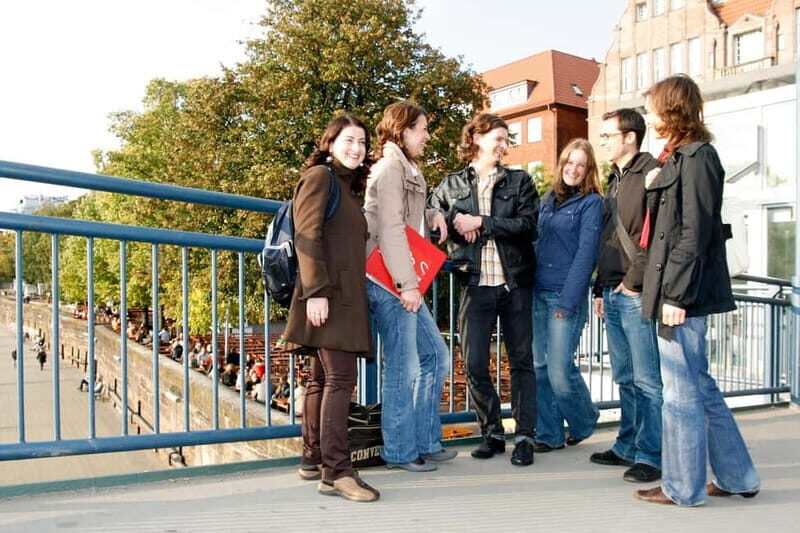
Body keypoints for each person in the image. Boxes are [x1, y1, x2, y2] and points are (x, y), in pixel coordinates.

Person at [634, 75, 760, 506]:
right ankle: (738, 477)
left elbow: (694, 233)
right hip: (674, 291)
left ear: (671, 110)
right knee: (699, 387)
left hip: (682, 296)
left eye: (652, 107)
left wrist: (676, 296)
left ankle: (682, 487)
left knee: (681, 394)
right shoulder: (677, 159)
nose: (648, 115)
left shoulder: (699, 157)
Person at [429, 113, 538, 466]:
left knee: (521, 361)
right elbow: (432, 222)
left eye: (507, 140)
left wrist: (482, 223)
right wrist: (455, 224)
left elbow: (529, 225)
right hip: (475, 283)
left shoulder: (519, 181)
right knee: (474, 361)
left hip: (515, 282)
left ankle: (525, 436)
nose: (504, 145)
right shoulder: (450, 185)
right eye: (499, 138)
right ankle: (491, 430)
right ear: (476, 137)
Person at [281, 114, 379, 502]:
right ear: (331, 142)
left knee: (320, 379)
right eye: (349, 140)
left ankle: (313, 458)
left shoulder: (343, 184)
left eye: (362, 143)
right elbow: (307, 234)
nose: (357, 149)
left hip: (338, 294)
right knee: (340, 381)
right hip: (329, 295)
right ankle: (337, 472)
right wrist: (317, 291)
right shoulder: (322, 177)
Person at [363, 101, 453, 472]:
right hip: (388, 279)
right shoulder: (389, 168)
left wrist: (433, 214)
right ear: (403, 130)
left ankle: (426, 440)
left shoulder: (407, 168)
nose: (427, 136)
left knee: (436, 357)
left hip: (400, 279)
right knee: (404, 367)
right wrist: (407, 284)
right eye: (422, 129)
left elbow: (408, 215)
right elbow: (390, 229)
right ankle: (399, 451)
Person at [590, 109, 663, 483]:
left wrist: (633, 282)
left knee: (648, 379)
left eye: (607, 135)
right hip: (614, 290)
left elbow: (655, 235)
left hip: (635, 292)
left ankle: (651, 454)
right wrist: (601, 288)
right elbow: (610, 239)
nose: (602, 141)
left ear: (630, 137)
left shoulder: (651, 174)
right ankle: (628, 446)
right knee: (625, 377)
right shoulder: (616, 178)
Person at [532, 138, 602, 453]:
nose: (573, 170)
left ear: (588, 170)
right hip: (537, 290)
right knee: (540, 367)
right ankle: (549, 434)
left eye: (580, 164)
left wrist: (568, 302)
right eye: (568, 163)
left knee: (560, 370)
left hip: (564, 294)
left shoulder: (592, 203)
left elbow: (586, 255)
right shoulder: (548, 198)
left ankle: (585, 420)